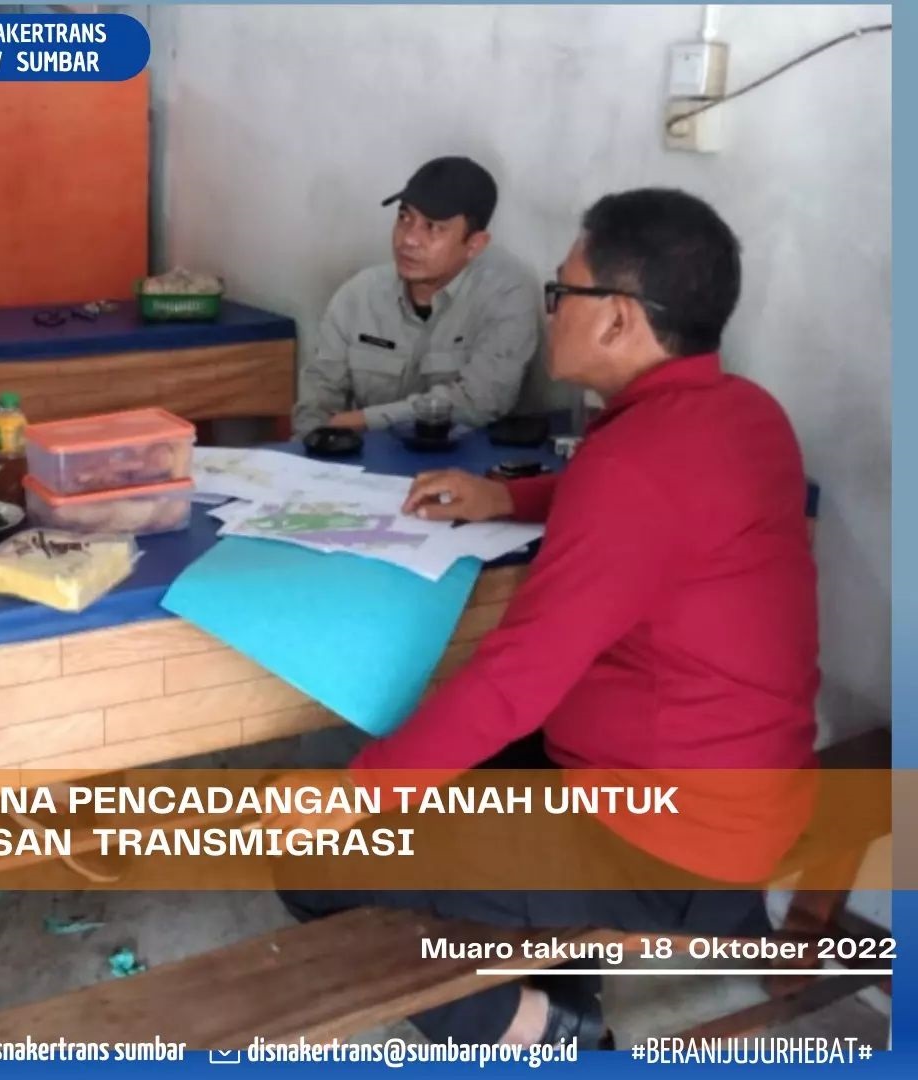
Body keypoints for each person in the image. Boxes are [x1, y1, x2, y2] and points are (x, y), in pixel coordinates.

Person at [269, 189, 820, 1047]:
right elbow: (654, 509)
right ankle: (554, 966)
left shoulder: (633, 463)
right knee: (452, 771)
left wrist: (352, 797)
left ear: (619, 318)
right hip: (742, 794)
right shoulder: (748, 413)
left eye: (564, 292)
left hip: (665, 844)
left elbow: (515, 682)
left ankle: (541, 1027)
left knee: (316, 856)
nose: (550, 308)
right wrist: (511, 497)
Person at [292, 156, 542, 435]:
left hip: (461, 460)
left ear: (474, 244)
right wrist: (313, 439)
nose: (409, 239)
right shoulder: (358, 296)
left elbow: (480, 402)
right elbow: (315, 406)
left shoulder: (505, 296)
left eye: (433, 227)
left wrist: (361, 420)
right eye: (404, 218)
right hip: (364, 459)